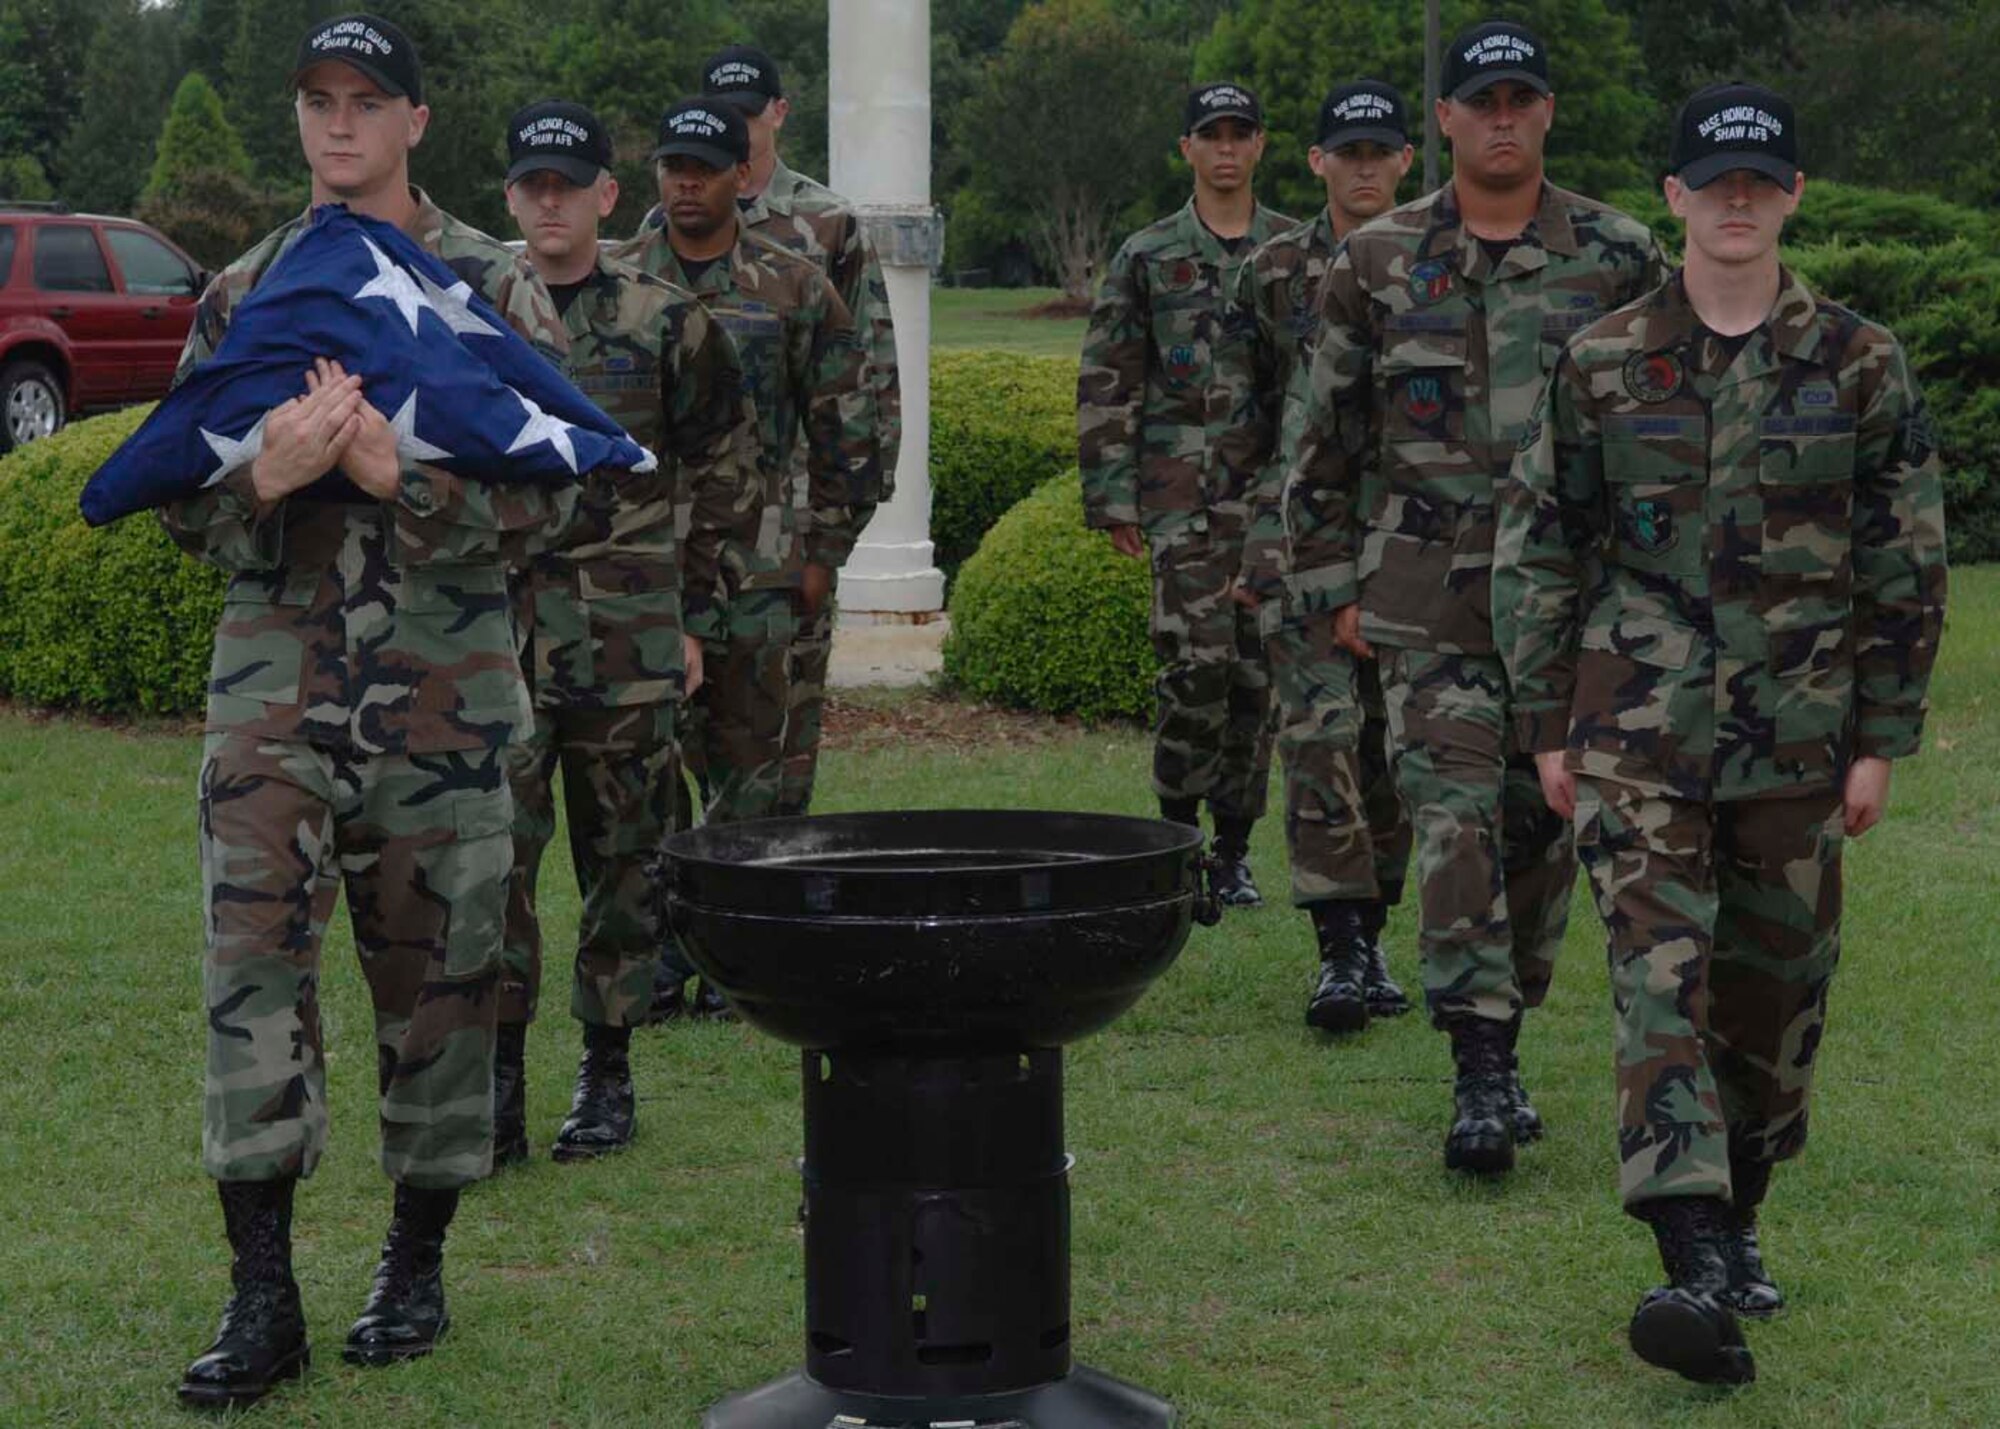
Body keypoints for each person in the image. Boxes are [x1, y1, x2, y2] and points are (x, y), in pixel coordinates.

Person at [1495, 80, 1947, 1384]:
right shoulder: (1603, 361)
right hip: (1633, 733)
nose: (1738, 201)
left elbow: (1902, 561)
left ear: (1790, 193)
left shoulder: (1861, 363)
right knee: (1659, 988)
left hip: (1800, 743)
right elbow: (1540, 548)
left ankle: (1740, 1207)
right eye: (1715, 181)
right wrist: (1542, 720)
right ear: (1678, 196)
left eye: (1762, 181)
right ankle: (1691, 1259)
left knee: (1772, 1008)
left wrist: (1881, 736)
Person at [164, 13, 581, 1408]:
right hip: (271, 697)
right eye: (316, 102)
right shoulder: (248, 289)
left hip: (443, 699)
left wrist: (413, 481)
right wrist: (266, 480)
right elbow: (176, 495)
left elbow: (559, 490)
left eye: (366, 101)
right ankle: (262, 1290)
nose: (337, 125)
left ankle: (416, 1256)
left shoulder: (489, 287)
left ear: (414, 120)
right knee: (250, 975)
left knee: (441, 991)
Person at [1283, 20, 1666, 1173]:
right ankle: (1478, 1064)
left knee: (1538, 829)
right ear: (1440, 120)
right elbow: (1322, 439)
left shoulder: (1618, 253)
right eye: (1478, 100)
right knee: (1449, 820)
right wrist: (1326, 584)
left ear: (1545, 112)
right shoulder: (1376, 262)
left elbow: (1658, 433)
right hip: (1425, 600)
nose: (1500, 118)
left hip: (1571, 610)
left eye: (1519, 98)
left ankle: (1509, 1006)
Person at [493, 100, 757, 1164]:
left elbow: (726, 473)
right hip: (497, 642)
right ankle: (498, 1082)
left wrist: (694, 614)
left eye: (569, 184)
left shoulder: (664, 321)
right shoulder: (475, 316)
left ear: (608, 196)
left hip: (627, 637)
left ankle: (606, 1072)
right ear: (509, 198)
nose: (549, 202)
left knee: (623, 864)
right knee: (493, 868)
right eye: (530, 186)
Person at [614, 97, 868, 848]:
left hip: (759, 569)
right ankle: (660, 953)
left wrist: (824, 551)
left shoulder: (792, 285)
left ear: (742, 173)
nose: (686, 184)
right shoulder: (616, 281)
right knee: (642, 783)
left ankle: (736, 952)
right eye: (673, 168)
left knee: (751, 783)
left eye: (704, 169)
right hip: (641, 566)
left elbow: (843, 425)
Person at [1223, 80, 1417, 1031]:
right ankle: (1339, 945)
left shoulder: (1439, 262)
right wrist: (1246, 539)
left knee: (1394, 749)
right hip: (1299, 541)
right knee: (1316, 735)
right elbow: (1244, 421)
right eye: (1350, 152)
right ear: (1319, 162)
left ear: (1408, 161)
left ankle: (1375, 927)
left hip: (1418, 541)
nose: (1366, 167)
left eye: (1382, 151)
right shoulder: (1266, 272)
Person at [1080, 81, 1297, 905]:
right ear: (1189, 150)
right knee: (1191, 672)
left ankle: (1234, 849)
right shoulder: (1148, 254)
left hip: (1272, 504)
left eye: (1242, 133)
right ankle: (1177, 835)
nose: (1228, 148)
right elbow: (1109, 376)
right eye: (1213, 134)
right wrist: (1114, 497)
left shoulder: (1290, 250)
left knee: (1254, 682)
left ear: (1262, 145)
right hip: (1180, 503)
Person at [697, 44, 900, 824]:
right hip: (692, 533)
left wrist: (834, 537)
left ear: (778, 114)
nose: (738, 134)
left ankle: (781, 896)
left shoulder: (826, 223)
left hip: (794, 530)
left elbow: (870, 384)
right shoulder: (664, 222)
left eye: (750, 116)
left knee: (785, 739)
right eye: (723, 118)